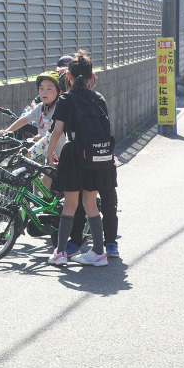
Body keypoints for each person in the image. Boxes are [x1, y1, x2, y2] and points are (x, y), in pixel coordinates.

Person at [45, 51, 112, 267]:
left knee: (70, 205)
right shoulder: (99, 98)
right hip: (95, 156)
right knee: (91, 204)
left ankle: (60, 253)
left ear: (69, 77)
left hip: (74, 156)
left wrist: (49, 153)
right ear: (92, 77)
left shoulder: (66, 98)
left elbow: (58, 131)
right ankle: (99, 253)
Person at [0, 71, 64, 191]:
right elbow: (24, 120)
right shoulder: (40, 108)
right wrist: (7, 131)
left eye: (49, 89)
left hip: (63, 156)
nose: (44, 92)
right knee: (44, 185)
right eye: (41, 88)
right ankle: (45, 208)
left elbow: (50, 138)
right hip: (49, 155)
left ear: (59, 92)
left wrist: (30, 151)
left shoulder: (60, 109)